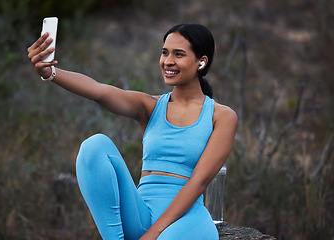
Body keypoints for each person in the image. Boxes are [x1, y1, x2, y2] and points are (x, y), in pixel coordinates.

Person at [27, 23, 237, 240]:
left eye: (179, 54)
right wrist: (50, 72)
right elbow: (98, 91)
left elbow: (199, 182)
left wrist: (154, 234)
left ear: (201, 61)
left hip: (186, 220)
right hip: (141, 213)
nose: (167, 61)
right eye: (164, 52)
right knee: (94, 146)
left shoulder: (221, 116)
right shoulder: (150, 106)